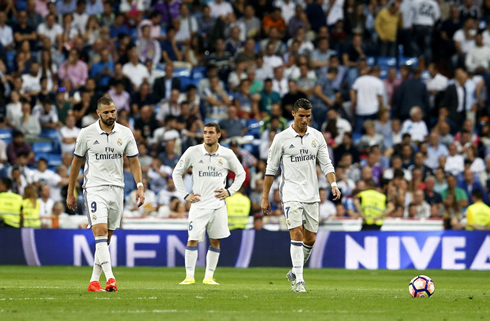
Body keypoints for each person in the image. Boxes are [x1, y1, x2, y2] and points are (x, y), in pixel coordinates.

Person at [260, 98, 341, 293]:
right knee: (296, 234)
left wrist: (333, 184)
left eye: (308, 116)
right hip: (290, 192)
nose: (305, 120)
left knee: (310, 238)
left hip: (311, 193)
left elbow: (326, 163)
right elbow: (270, 170)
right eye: (302, 116)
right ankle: (300, 281)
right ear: (293, 114)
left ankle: (295, 271)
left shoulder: (317, 136)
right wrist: (265, 197)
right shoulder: (281, 138)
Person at [66, 96, 145, 293]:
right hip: (94, 188)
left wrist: (140, 185)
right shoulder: (86, 133)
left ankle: (94, 281)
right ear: (98, 113)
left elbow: (134, 161)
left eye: (113, 111)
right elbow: (76, 162)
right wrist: (71, 191)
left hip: (117, 189)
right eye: (106, 112)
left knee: (106, 238)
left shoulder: (125, 133)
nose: (111, 115)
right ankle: (111, 278)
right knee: (99, 231)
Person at [172, 122, 245, 286]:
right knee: (192, 239)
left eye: (211, 132)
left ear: (219, 135)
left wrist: (230, 191)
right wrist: (185, 195)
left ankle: (209, 277)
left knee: (215, 240)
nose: (207, 135)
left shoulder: (227, 154)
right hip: (198, 205)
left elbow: (241, 174)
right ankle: (189, 276)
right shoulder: (193, 152)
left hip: (218, 205)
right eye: (205, 132)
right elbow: (176, 172)